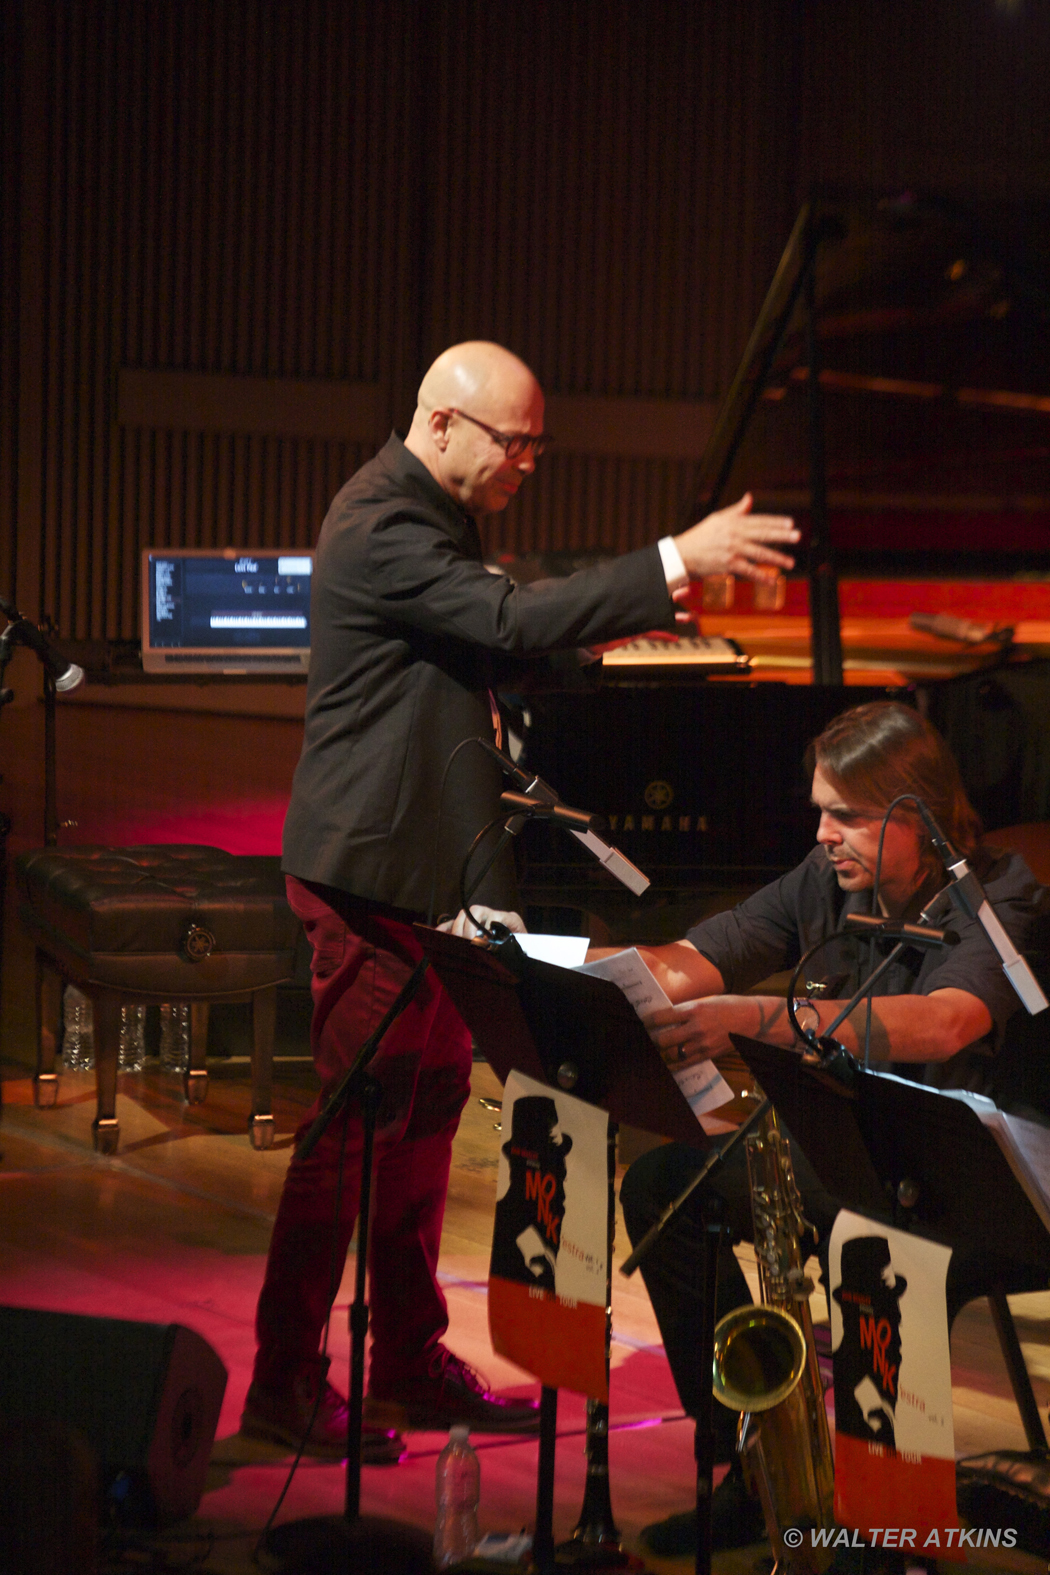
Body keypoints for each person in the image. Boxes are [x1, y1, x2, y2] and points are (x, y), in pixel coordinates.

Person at [240, 339, 799, 1463]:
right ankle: (283, 1384)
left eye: (540, 444)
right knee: (356, 1139)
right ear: (442, 423)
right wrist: (669, 561)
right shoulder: (381, 519)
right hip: (370, 881)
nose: (530, 463)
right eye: (518, 442)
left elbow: (479, 642)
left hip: (433, 882)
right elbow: (496, 623)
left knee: (427, 1127)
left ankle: (403, 1358)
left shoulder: (434, 513)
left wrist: (607, 642)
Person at [607, 700, 1049, 1554]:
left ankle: (879, 1531)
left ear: (913, 813)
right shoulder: (827, 879)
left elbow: (946, 1020)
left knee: (872, 1245)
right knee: (666, 1191)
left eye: (843, 814)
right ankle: (758, 1463)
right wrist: (581, 971)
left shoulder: (1000, 894)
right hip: (863, 1163)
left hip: (986, 1192)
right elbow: (696, 961)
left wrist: (761, 1017)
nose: (822, 833)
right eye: (820, 809)